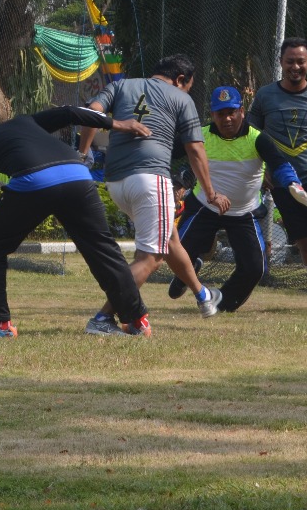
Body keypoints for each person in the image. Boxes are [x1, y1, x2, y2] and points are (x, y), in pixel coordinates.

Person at [0, 109, 153, 338]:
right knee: (103, 249)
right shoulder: (23, 120)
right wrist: (116, 123)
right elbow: (69, 112)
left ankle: (0, 326)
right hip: (78, 174)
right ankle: (137, 322)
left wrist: (2, 221)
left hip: (34, 181)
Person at [77, 54, 231, 334]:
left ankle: (203, 296)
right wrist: (210, 192)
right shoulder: (180, 98)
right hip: (151, 178)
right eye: (188, 86)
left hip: (116, 182)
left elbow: (90, 115)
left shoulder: (122, 86)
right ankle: (101, 319)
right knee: (151, 257)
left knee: (168, 240)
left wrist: (83, 154)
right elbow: (196, 149)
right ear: (181, 80)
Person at [167, 85, 307, 312]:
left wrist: (293, 183)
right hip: (205, 208)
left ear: (242, 112)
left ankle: (222, 303)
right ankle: (187, 271)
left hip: (243, 213)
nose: (226, 119)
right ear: (213, 115)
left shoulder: (258, 139)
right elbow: (167, 151)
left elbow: (280, 164)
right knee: (179, 254)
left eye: (231, 112)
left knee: (255, 268)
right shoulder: (200, 135)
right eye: (220, 113)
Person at [248, 37, 307, 310]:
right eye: (290, 61)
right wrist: (261, 170)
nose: (295, 67)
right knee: (304, 241)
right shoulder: (265, 96)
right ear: (281, 63)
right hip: (281, 182)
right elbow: (253, 137)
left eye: (301, 61)